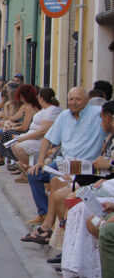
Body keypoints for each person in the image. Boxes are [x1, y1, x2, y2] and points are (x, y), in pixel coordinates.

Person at [26, 87, 107, 225]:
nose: (74, 102)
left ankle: (55, 224)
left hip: (84, 165)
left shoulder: (97, 113)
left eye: (78, 99)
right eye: (71, 99)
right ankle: (44, 213)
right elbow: (47, 139)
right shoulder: (64, 116)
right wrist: (40, 162)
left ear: (86, 100)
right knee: (34, 173)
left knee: (55, 179)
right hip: (63, 162)